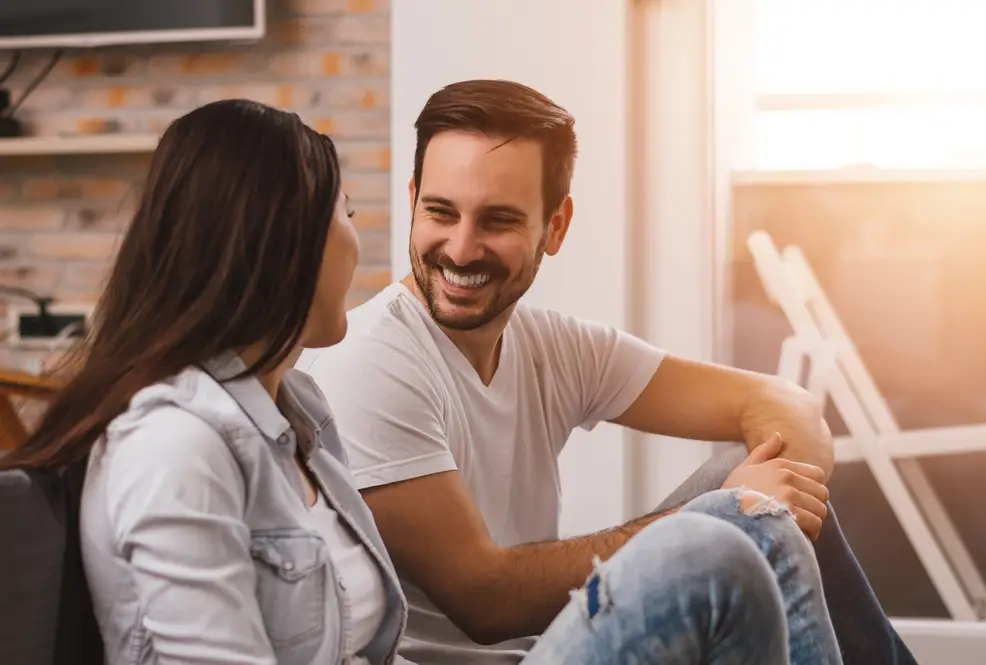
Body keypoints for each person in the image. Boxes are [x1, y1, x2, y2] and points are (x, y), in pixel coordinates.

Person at [298, 79, 919, 665]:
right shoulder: (370, 363)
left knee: (764, 489)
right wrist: (735, 512)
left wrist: (775, 492)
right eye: (440, 212)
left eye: (498, 220)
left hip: (543, 646)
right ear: (412, 202)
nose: (460, 249)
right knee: (748, 516)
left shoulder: (551, 345)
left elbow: (783, 403)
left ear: (556, 226)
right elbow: (485, 601)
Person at [0, 99, 409, 665]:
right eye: (348, 214)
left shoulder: (302, 410)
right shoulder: (174, 444)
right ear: (286, 240)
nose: (356, 241)